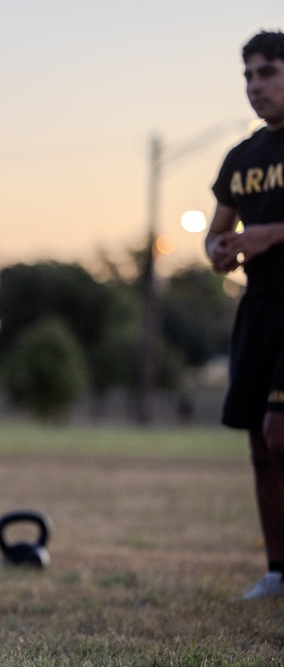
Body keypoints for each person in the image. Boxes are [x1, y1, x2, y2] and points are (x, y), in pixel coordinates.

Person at [205, 29, 284, 600]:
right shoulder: (242, 156)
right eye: (249, 75)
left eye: (268, 72)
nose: (255, 85)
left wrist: (266, 235)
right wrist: (219, 250)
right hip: (258, 310)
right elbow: (216, 235)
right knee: (259, 442)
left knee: (281, 432)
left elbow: (256, 233)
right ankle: (278, 571)